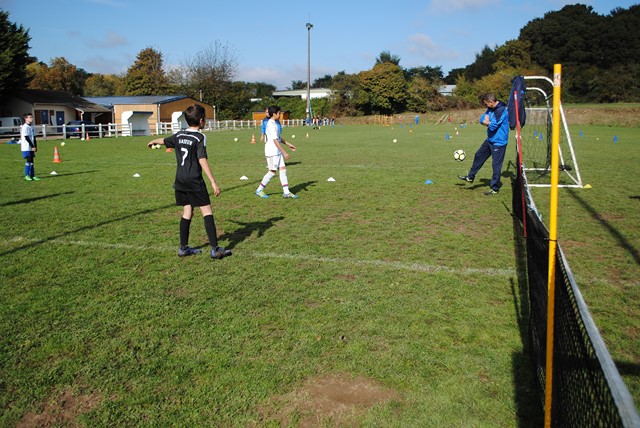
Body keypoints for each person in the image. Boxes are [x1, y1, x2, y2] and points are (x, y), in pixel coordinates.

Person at [148, 104, 231, 259]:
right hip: (194, 180)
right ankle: (215, 249)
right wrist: (213, 181)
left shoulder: (179, 135)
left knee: (188, 211)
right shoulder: (199, 137)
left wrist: (154, 141)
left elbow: (164, 140)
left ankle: (183, 248)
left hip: (180, 180)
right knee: (207, 211)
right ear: (201, 121)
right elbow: (202, 159)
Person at [458, 93, 509, 195]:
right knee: (478, 155)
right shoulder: (491, 108)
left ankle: (494, 188)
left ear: (491, 102)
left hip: (499, 142)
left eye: (486, 104)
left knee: (496, 166)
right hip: (490, 139)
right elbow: (482, 118)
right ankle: (470, 177)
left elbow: (493, 126)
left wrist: (487, 122)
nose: (486, 106)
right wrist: (485, 121)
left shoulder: (501, 110)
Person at [255, 105, 299, 199]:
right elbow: (275, 140)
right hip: (272, 152)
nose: (280, 114)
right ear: (274, 114)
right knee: (272, 172)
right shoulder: (271, 124)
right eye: (279, 113)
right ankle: (259, 190)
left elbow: (278, 137)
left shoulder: (275, 123)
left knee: (283, 170)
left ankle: (286, 192)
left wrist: (288, 144)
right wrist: (284, 152)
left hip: (277, 151)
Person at [20, 113, 40, 181]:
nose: (32, 118)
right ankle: (26, 175)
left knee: (32, 161)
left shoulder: (32, 127)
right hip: (26, 147)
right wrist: (32, 146)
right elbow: (27, 138)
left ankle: (32, 175)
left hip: (31, 147)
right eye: (30, 117)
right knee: (28, 160)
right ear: (26, 119)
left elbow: (34, 137)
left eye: (32, 117)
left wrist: (35, 146)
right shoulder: (24, 127)